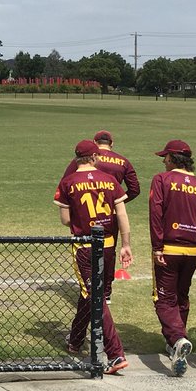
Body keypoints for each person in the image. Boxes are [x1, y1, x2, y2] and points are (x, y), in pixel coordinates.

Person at [54, 139, 134, 374]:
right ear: (95, 157)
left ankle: (115, 353)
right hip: (108, 245)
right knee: (89, 294)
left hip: (84, 246)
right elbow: (122, 214)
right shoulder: (109, 180)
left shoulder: (68, 182)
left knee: (94, 295)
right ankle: (76, 340)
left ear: (77, 158)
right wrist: (126, 244)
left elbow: (66, 220)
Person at [148, 139, 196, 377]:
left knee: (163, 298)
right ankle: (175, 341)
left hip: (169, 248)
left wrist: (157, 247)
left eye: (165, 157)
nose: (163, 161)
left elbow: (156, 213)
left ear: (173, 159)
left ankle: (177, 339)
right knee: (182, 296)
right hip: (193, 250)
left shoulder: (161, 180)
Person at [61, 130, 139, 304]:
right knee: (108, 253)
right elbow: (134, 189)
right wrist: (117, 202)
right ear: (112, 143)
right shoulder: (122, 161)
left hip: (85, 216)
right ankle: (106, 291)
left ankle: (94, 293)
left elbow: (66, 183)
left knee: (90, 255)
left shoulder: (83, 158)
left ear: (95, 142)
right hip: (110, 214)